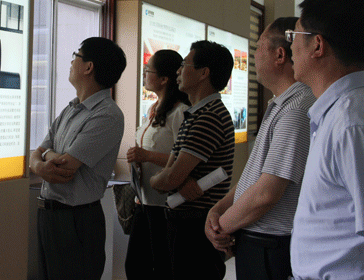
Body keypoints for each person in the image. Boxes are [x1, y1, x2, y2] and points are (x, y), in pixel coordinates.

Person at [289, 0, 364, 279]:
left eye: (294, 35)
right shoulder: (341, 113)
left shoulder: (353, 124)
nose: (290, 47)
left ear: (317, 45)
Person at [204, 17, 316, 280]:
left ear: (280, 55)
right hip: (258, 240)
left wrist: (221, 227)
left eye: (258, 48)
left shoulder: (296, 109)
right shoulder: (281, 104)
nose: (253, 57)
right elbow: (254, 178)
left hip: (271, 245)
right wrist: (218, 209)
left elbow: (267, 193)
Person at [29, 37, 126, 280]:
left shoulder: (108, 114)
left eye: (76, 56)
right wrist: (41, 160)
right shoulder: (71, 108)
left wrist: (43, 157)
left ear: (88, 67)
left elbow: (65, 167)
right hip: (49, 215)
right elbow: (35, 154)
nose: (71, 62)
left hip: (77, 221)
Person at [150, 40, 235, 280]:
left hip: (195, 225)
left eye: (184, 65)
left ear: (203, 73)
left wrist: (158, 180)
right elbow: (172, 172)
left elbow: (170, 177)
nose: (178, 71)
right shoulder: (196, 114)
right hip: (186, 221)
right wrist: (168, 178)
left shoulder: (208, 117)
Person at [125, 49, 190, 279]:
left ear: (164, 79)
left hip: (165, 204)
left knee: (162, 267)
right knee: (135, 266)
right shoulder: (153, 109)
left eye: (148, 70)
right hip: (143, 201)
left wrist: (147, 156)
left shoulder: (180, 112)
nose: (144, 74)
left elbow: (183, 159)